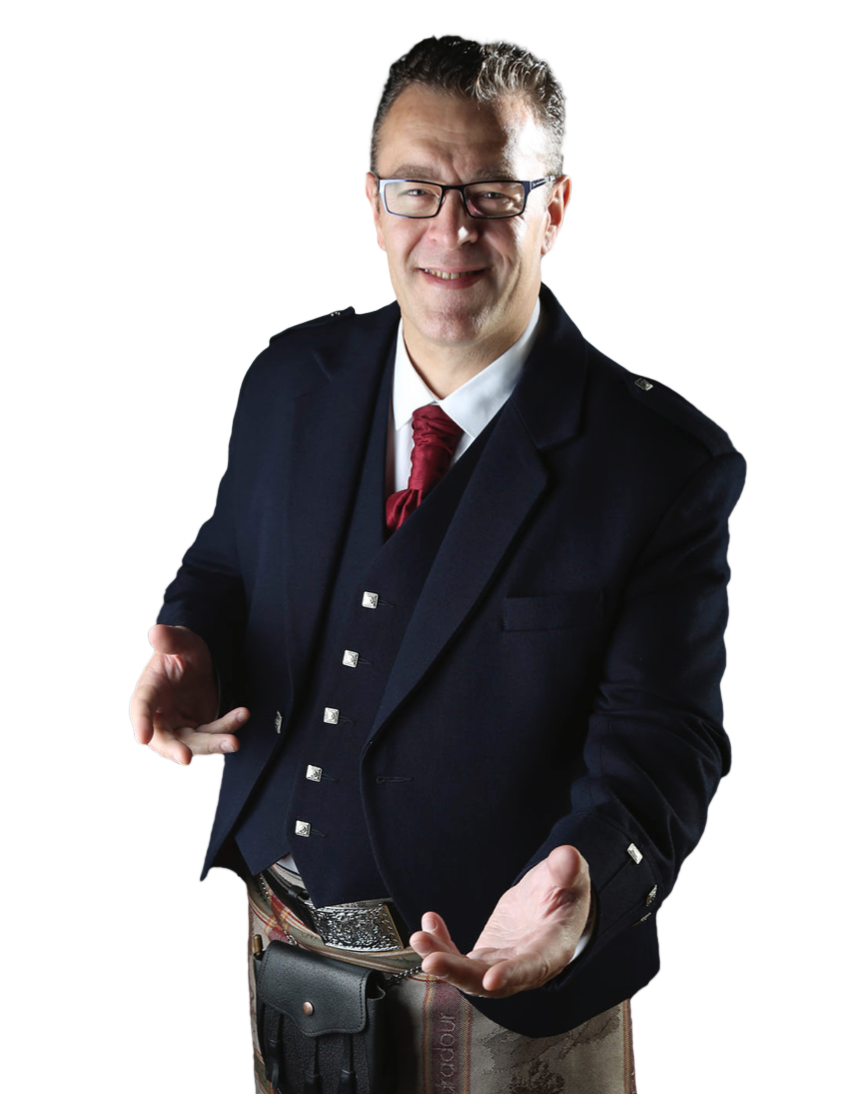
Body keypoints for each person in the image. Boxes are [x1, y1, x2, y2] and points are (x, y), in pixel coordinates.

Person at [129, 32, 746, 1093]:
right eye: (416, 189)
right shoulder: (289, 376)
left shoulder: (667, 464)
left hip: (510, 1001)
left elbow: (667, 736)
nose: (449, 229)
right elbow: (228, 558)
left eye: (494, 194)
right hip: (279, 958)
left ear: (553, 208)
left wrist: (585, 877)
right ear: (373, 203)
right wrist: (193, 641)